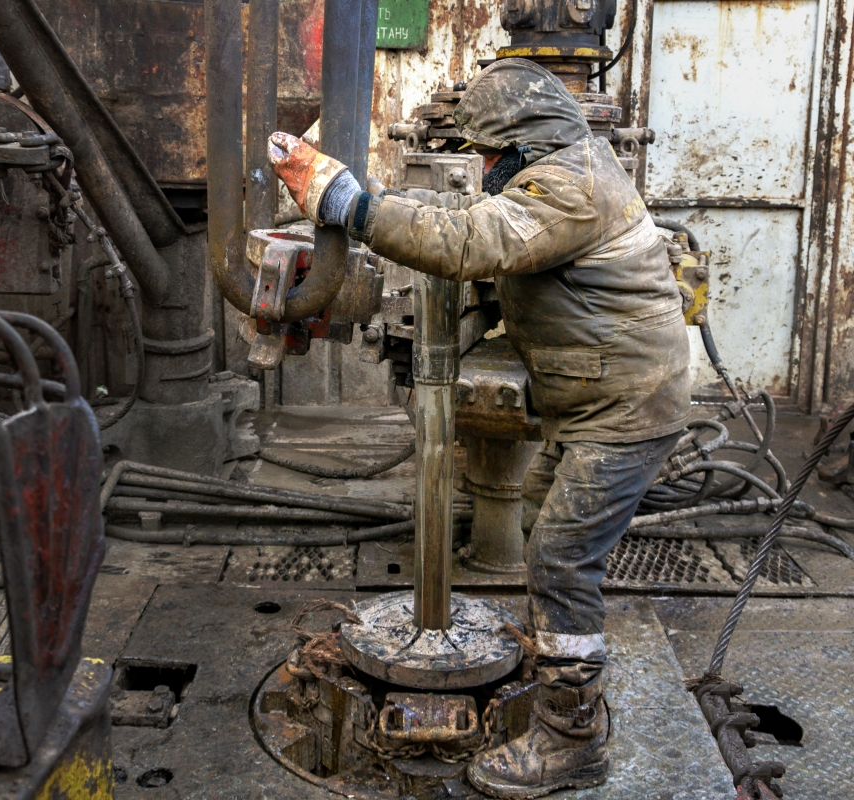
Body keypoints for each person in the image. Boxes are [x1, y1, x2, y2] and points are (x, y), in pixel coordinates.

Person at [269, 58, 690, 799]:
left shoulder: (569, 185)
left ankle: (570, 740)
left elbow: (468, 244)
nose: (485, 168)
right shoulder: (563, 168)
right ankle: (564, 665)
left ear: (528, 141)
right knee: (542, 529)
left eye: (492, 153)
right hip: (595, 401)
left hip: (624, 410)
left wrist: (351, 205)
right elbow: (473, 230)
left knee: (560, 559)